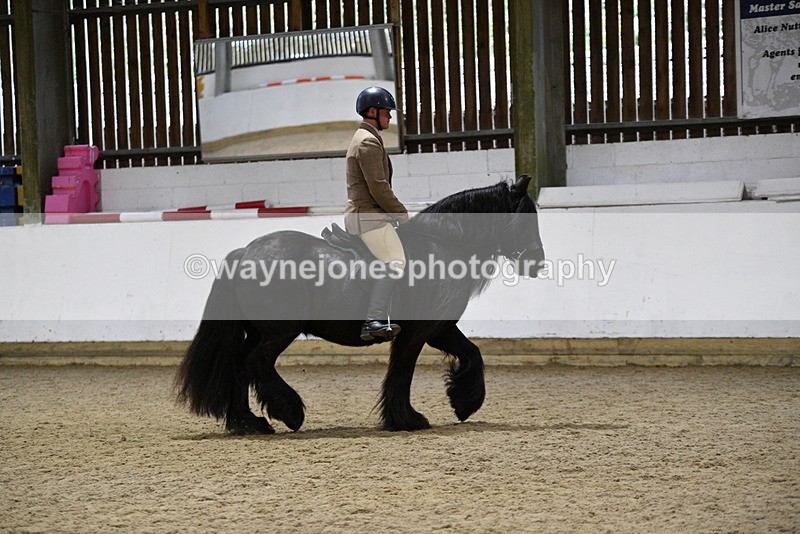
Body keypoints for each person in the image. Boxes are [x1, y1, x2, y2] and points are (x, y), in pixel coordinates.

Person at [345, 86, 409, 342]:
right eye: (387, 112)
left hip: (368, 215)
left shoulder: (366, 137)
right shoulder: (368, 142)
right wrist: (403, 214)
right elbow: (379, 189)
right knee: (396, 262)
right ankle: (373, 319)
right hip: (367, 218)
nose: (390, 117)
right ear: (372, 112)